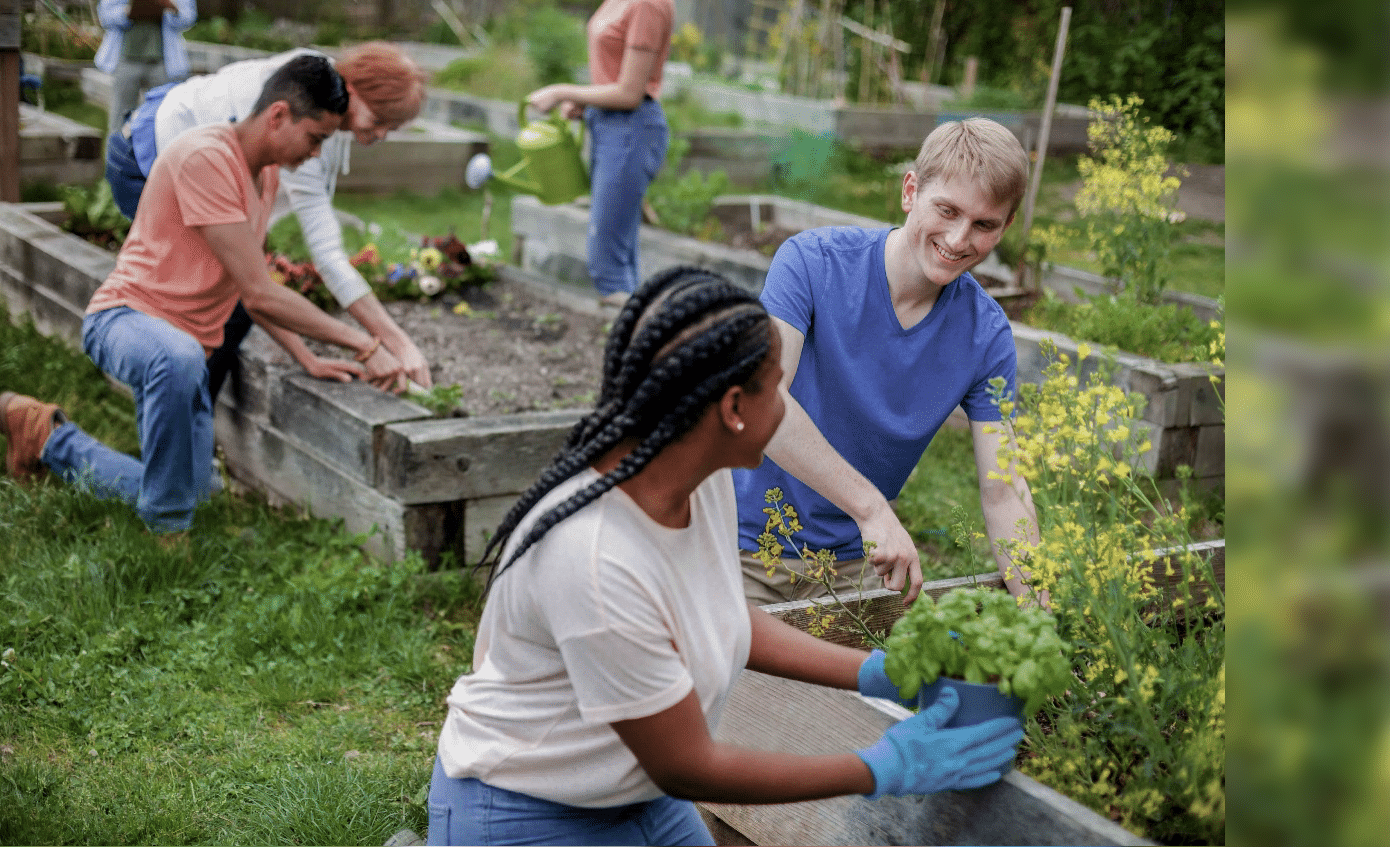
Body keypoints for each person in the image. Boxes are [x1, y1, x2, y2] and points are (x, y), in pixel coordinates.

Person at [427, 267, 1025, 846]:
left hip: (637, 798)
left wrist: (877, 672)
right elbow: (688, 767)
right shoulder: (596, 559)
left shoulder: (696, 473)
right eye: (778, 389)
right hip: (528, 809)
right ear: (734, 409)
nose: (789, 407)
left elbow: (722, 614)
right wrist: (882, 767)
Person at [0, 55, 380, 539]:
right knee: (178, 372)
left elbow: (248, 284)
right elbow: (260, 295)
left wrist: (307, 356)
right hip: (125, 320)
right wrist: (365, 344)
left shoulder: (266, 175)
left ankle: (47, 437)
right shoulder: (207, 157)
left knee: (193, 491)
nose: (317, 154)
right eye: (316, 138)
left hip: (185, 355)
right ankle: (167, 537)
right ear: (279, 116)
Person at [733, 118, 1043, 608]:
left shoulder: (985, 336)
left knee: (901, 680)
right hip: (742, 545)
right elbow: (764, 405)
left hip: (857, 564)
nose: (960, 239)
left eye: (983, 224)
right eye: (947, 210)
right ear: (910, 191)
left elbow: (1004, 492)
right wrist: (871, 508)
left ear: (1004, 228)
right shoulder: (812, 264)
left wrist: (1041, 618)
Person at [106, 43, 431, 398]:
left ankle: (190, 413)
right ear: (353, 90)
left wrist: (308, 358)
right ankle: (175, 411)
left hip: (182, 135)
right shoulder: (298, 117)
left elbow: (261, 282)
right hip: (143, 154)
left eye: (392, 127)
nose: (382, 134)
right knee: (206, 301)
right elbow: (323, 259)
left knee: (236, 295)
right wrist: (393, 343)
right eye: (380, 119)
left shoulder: (320, 101)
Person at [526, 0, 673, 308]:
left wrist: (562, 91)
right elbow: (612, 78)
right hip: (609, 126)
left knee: (607, 263)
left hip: (630, 131)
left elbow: (630, 93)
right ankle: (635, 342)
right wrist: (588, 100)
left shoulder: (647, 5)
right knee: (617, 254)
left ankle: (632, 343)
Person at [94, 0, 197, 134]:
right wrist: (127, 12)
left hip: (163, 64)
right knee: (120, 119)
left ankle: (158, 154)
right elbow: (105, 17)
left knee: (164, 118)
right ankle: (119, 154)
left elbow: (189, 17)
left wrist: (172, 7)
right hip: (125, 61)